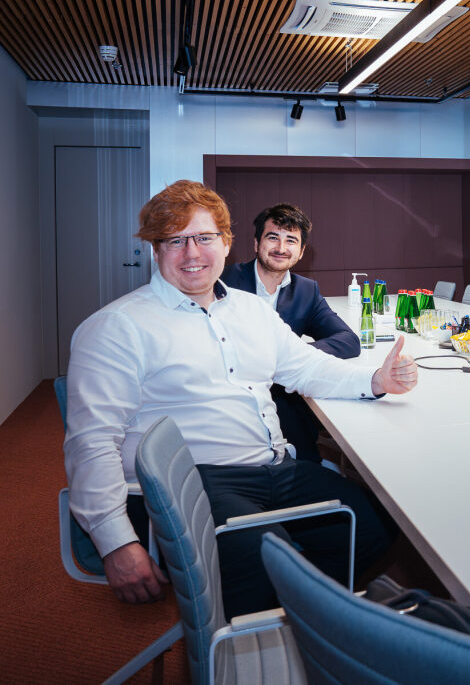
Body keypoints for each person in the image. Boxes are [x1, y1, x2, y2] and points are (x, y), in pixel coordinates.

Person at [64, 180, 418, 618]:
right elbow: (91, 443)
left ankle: (294, 615)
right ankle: (260, 626)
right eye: (175, 241)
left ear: (227, 243)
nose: (192, 254)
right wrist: (115, 540)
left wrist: (377, 379)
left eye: (204, 238)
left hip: (276, 467)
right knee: (268, 558)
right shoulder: (117, 327)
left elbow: (307, 368)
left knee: (375, 525)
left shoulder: (251, 312)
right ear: (155, 250)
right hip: (198, 480)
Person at [221, 203, 358, 463]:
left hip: (283, 396)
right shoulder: (225, 282)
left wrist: (290, 355)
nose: (281, 248)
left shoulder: (306, 290)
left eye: (291, 240)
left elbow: (348, 341)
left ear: (302, 251)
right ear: (256, 243)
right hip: (233, 398)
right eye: (273, 237)